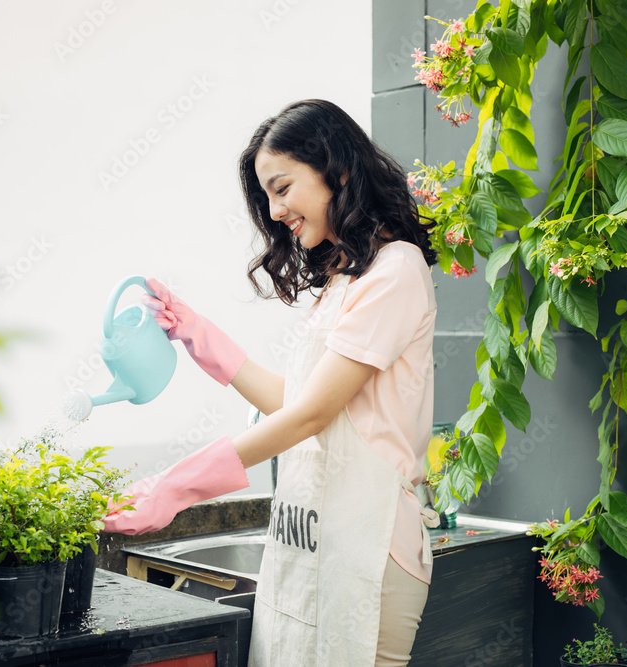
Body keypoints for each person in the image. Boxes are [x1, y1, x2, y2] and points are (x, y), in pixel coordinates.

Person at [103, 99, 439, 667]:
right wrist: (199, 336)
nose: (275, 208)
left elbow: (309, 417)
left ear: (339, 171)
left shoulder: (396, 270)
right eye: (267, 195)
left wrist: (176, 488)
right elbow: (305, 404)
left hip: (370, 543)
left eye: (282, 187)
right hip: (313, 537)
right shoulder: (344, 280)